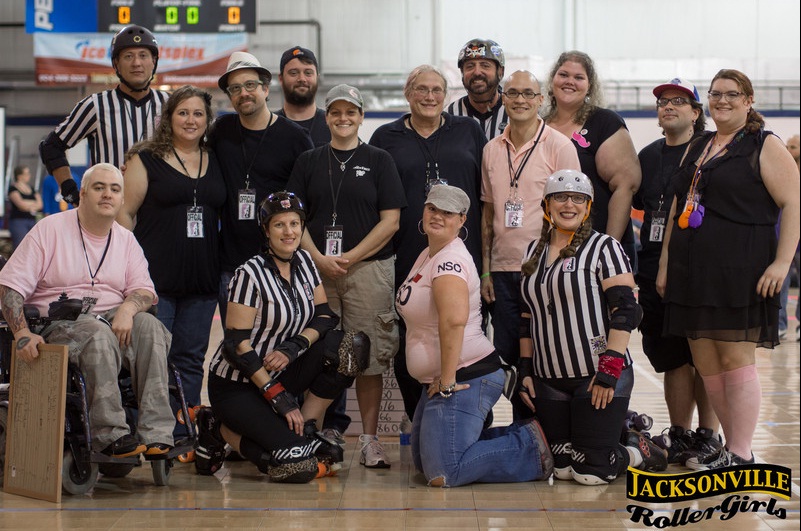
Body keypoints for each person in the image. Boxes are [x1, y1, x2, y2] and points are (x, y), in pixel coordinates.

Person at [657, 69, 800, 470]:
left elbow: (794, 203)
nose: (722, 100)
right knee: (705, 361)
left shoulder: (764, 144)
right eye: (716, 94)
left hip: (741, 267)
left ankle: (741, 451)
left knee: (736, 359)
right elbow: (677, 206)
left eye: (732, 94)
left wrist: (782, 263)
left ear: (748, 100)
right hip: (691, 271)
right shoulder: (699, 144)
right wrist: (667, 261)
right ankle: (727, 446)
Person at [0, 163, 174, 458]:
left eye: (115, 189)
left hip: (111, 318)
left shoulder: (125, 240)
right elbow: (9, 287)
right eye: (99, 187)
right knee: (96, 332)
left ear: (121, 199)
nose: (107, 195)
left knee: (150, 327)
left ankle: (157, 435)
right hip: (59, 323)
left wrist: (127, 310)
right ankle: (111, 435)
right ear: (81, 194)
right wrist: (22, 333)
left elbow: (145, 291)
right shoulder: (50, 229)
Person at [198, 192, 369, 483]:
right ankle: (217, 427)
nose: (289, 232)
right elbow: (235, 345)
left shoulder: (304, 261)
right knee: (297, 467)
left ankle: (307, 428)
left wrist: (295, 346)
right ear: (266, 230)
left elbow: (325, 316)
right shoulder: (248, 274)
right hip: (239, 385)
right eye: (279, 225)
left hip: (283, 370)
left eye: (294, 223)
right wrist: (278, 398)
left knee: (351, 346)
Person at [395, 184, 553, 487]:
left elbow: (453, 323)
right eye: (432, 208)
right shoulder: (428, 254)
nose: (437, 216)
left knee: (444, 472)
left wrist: (447, 378)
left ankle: (533, 447)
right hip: (446, 375)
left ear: (462, 220)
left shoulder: (448, 261)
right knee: (422, 462)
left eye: (447, 212)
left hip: (467, 375)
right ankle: (513, 436)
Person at [518, 170, 666, 485]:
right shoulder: (533, 252)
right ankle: (614, 433)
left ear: (587, 206)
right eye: (560, 197)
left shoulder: (604, 247)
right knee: (560, 469)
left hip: (595, 375)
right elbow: (527, 317)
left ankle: (638, 449)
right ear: (547, 204)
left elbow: (626, 310)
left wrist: (608, 372)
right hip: (549, 380)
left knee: (591, 473)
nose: (568, 204)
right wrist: (526, 368)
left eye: (578, 198)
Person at [287, 84, 406, 468]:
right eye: (335, 112)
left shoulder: (379, 159)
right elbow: (294, 218)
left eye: (350, 112)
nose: (343, 119)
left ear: (361, 115)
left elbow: (391, 221)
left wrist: (350, 257)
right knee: (321, 352)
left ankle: (369, 440)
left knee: (367, 354)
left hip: (369, 271)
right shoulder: (308, 160)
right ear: (326, 117)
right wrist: (318, 257)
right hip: (316, 270)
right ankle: (315, 434)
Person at [370, 65, 486, 420]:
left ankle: (469, 419)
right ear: (408, 94)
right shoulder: (384, 137)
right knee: (413, 340)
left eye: (437, 89)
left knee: (463, 334)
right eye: (421, 89)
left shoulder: (469, 130)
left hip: (461, 257)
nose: (430, 96)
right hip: (407, 258)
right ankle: (422, 418)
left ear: (446, 96)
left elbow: (487, 196)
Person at [117, 86, 226, 425]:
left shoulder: (216, 157)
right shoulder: (144, 158)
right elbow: (124, 215)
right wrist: (130, 269)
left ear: (208, 119)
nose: (190, 120)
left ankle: (184, 434)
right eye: (183, 112)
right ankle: (151, 431)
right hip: (154, 282)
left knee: (191, 359)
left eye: (198, 113)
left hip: (202, 279)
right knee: (151, 359)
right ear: (168, 118)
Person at [480, 71, 579, 420]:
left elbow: (575, 211)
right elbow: (489, 214)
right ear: (502, 98)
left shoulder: (559, 145)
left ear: (540, 100)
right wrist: (486, 271)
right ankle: (526, 430)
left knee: (547, 353)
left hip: (545, 271)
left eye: (528, 93)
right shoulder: (491, 150)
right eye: (513, 93)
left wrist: (564, 265)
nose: (520, 99)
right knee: (509, 354)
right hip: (503, 271)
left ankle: (554, 429)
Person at [634, 78, 721, 466]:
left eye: (679, 102)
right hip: (654, 268)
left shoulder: (710, 150)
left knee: (704, 356)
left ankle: (709, 435)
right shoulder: (649, 155)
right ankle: (681, 434)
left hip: (698, 269)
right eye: (663, 102)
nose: (668, 107)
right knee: (671, 357)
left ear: (696, 112)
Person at [210, 51, 314, 324]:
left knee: (279, 346)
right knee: (237, 346)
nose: (243, 93)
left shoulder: (295, 139)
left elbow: (309, 202)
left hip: (280, 264)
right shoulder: (221, 131)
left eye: (250, 85)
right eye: (235, 88)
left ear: (266, 89)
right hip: (232, 264)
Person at [39, 25, 168, 205]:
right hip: (111, 212)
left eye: (143, 55)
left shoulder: (170, 104)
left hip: (161, 212)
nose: (137, 63)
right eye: (128, 56)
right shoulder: (96, 105)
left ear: (153, 61)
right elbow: (51, 147)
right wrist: (71, 193)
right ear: (116, 64)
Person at [543, 51, 641, 270]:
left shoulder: (604, 122)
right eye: (564, 74)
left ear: (590, 86)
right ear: (552, 81)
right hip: (549, 243)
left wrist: (607, 247)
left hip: (595, 241)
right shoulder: (539, 125)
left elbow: (625, 186)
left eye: (579, 77)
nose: (570, 81)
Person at [447, 38, 508, 140]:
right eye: (470, 66)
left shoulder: (515, 110)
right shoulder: (449, 114)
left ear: (500, 71)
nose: (477, 72)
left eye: (485, 65)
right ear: (462, 73)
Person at [275, 46, 330, 147]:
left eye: (308, 73)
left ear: (317, 78)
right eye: (293, 73)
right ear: (281, 78)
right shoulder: (270, 126)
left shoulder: (332, 125)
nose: (302, 79)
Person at [777, 133, 800, 341]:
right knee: (780, 279)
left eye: (792, 147)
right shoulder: (782, 173)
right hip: (784, 233)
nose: (788, 150)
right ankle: (780, 323)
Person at [7, 165, 43, 249]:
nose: (29, 175)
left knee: (32, 246)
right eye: (27, 174)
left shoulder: (32, 188)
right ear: (20, 176)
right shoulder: (13, 188)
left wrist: (27, 204)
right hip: (18, 221)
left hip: (31, 220)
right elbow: (21, 204)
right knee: (20, 246)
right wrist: (33, 203)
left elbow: (40, 204)